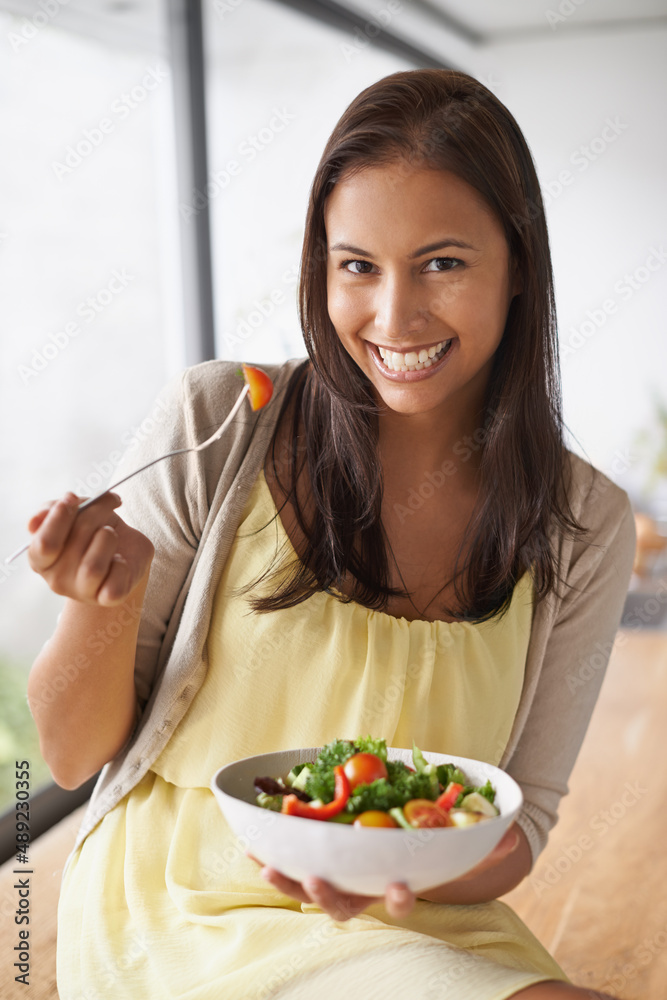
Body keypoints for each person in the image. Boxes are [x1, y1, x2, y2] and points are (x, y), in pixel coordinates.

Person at [26, 70, 635, 999]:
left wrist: (393, 870)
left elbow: (519, 830)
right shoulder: (222, 420)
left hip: (419, 916)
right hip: (188, 907)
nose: (393, 318)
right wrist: (96, 612)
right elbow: (68, 758)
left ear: (517, 268)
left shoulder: (584, 523)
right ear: (321, 268)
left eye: (441, 263)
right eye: (357, 266)